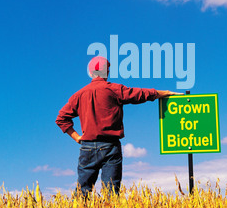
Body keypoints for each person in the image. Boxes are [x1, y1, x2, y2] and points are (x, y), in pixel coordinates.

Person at [56, 56, 179, 196]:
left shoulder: (78, 95)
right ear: (107, 72)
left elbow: (61, 118)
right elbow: (140, 94)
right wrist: (165, 93)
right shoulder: (114, 89)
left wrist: (77, 137)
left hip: (87, 148)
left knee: (82, 193)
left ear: (90, 73)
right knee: (111, 194)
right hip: (110, 147)